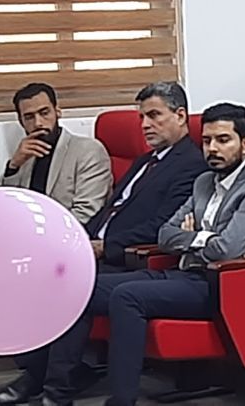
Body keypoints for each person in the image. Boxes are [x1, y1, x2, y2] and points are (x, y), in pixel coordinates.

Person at [0, 104, 245, 406]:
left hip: (221, 286)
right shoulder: (205, 181)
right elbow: (165, 234)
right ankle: (56, 394)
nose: (212, 148)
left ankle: (122, 400)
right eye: (207, 140)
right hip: (183, 272)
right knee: (80, 286)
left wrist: (192, 237)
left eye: (223, 140)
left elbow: (226, 249)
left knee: (128, 297)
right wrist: (200, 238)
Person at [85, 82, 209, 271]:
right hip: (93, 250)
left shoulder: (192, 164)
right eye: (142, 117)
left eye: (154, 115)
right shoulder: (144, 161)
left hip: (127, 259)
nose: (144, 125)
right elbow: (111, 208)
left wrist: (104, 247)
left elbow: (162, 225)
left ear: (180, 116)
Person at [0, 82, 112, 224]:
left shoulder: (88, 151)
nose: (38, 123)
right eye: (29, 117)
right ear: (21, 122)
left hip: (66, 232)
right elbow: (4, 206)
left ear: (57, 112)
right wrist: (13, 166)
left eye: (44, 113)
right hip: (27, 230)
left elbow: (86, 213)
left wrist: (46, 233)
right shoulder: (25, 155)